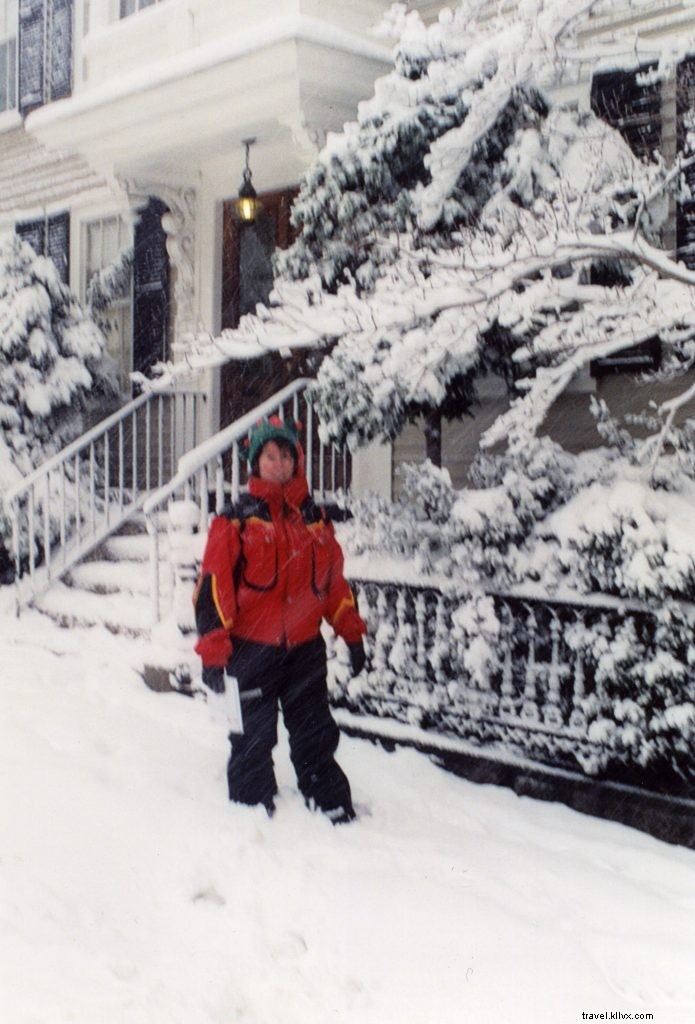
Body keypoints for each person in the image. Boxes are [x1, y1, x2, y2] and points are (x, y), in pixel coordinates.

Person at [193, 415, 367, 823]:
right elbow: (212, 592)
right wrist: (213, 654)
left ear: (297, 461)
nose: (279, 463)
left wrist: (352, 634)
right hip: (251, 651)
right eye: (269, 456)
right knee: (252, 739)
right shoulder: (235, 520)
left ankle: (328, 799)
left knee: (315, 734)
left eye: (286, 455)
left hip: (304, 651)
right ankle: (251, 814)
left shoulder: (315, 523)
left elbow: (334, 585)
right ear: (256, 464)